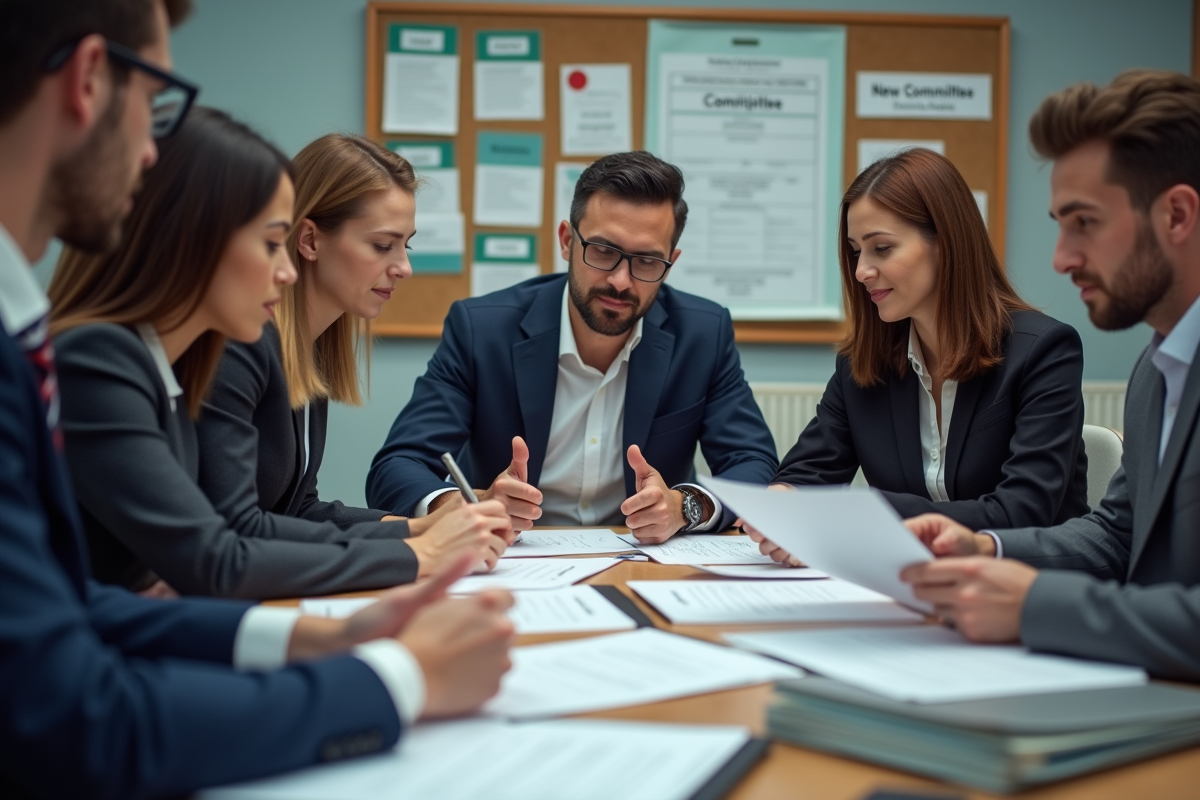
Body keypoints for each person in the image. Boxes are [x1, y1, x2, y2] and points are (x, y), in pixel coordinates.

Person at [0, 2, 512, 796]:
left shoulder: (141, 365)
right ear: (89, 80)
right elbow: (207, 562)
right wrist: (397, 659)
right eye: (155, 104)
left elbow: (85, 609)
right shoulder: (99, 357)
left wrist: (304, 637)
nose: (147, 155)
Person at [48, 110, 511, 600]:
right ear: (195, 242)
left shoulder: (164, 359)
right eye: (270, 243)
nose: (284, 269)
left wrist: (420, 531)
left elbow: (284, 515)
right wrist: (419, 552)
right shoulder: (110, 359)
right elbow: (222, 549)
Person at [901, 69, 1200, 680]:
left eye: (1084, 222)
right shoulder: (1157, 366)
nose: (1061, 258)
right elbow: (1119, 534)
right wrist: (988, 549)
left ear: (1176, 215)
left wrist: (1037, 605)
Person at [366, 150, 779, 543]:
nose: (621, 280)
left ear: (671, 261)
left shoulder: (702, 334)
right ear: (567, 241)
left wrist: (683, 505)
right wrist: (468, 506)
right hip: (513, 563)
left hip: (645, 563)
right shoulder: (482, 329)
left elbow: (754, 465)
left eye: (647, 261)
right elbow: (397, 466)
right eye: (603, 251)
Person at [181, 132, 510, 595]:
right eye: (382, 246)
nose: (403, 267)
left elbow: (299, 509)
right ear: (311, 240)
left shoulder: (307, 348)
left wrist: (426, 525)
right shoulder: (241, 344)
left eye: (406, 246)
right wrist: (417, 551)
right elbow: (239, 526)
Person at [748, 148, 1089, 566]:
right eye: (856, 250)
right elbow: (805, 474)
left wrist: (865, 517)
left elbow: (1021, 512)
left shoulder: (1043, 351)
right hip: (914, 590)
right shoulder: (862, 366)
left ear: (946, 242)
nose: (861, 271)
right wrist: (786, 502)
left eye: (882, 248)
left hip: (1031, 593)